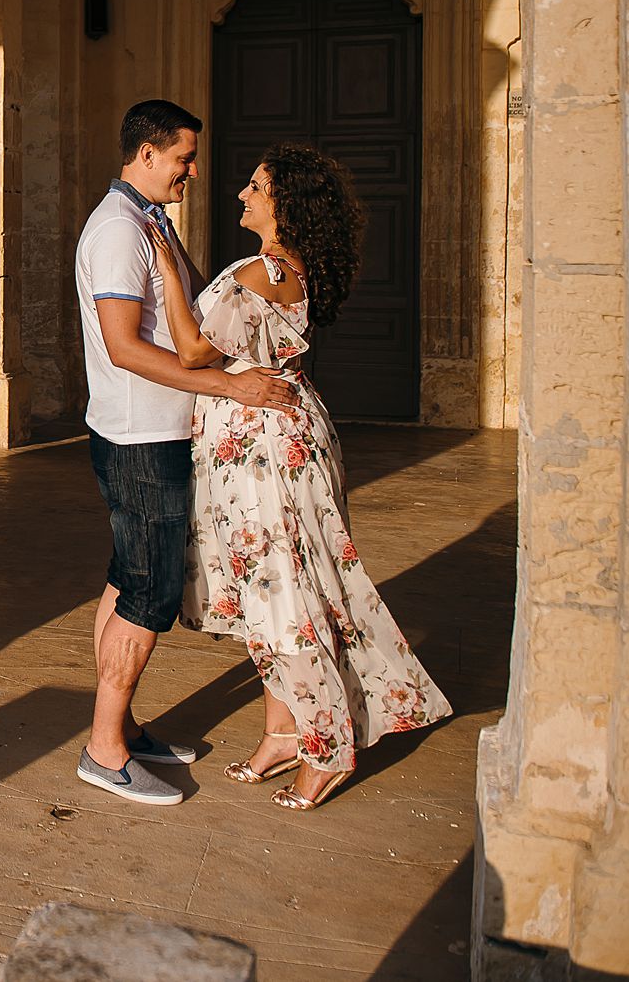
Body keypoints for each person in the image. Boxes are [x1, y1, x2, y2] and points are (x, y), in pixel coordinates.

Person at [143, 143, 451, 811]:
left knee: (287, 598)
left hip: (270, 453)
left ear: (285, 202)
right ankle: (281, 731)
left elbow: (194, 348)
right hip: (267, 441)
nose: (241, 195)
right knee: (272, 592)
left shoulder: (265, 269)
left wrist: (166, 265)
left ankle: (328, 745)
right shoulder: (274, 267)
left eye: (255, 186)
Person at [74, 100, 301, 806]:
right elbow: (124, 346)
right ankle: (104, 749)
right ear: (146, 153)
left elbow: (190, 314)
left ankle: (123, 726)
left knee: (126, 577)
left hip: (152, 431)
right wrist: (227, 382)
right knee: (148, 593)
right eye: (182, 158)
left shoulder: (147, 219)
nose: (193, 171)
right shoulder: (117, 229)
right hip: (140, 436)